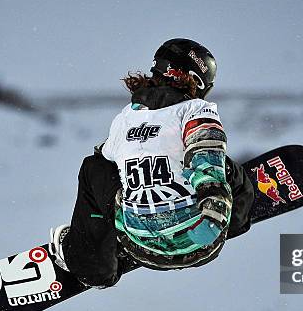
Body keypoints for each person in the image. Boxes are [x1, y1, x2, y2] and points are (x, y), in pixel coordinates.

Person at [49, 38, 255, 288]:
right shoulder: (196, 109)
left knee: (94, 168)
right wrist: (213, 218)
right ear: (198, 81)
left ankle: (93, 264)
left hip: (139, 245)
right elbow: (207, 160)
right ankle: (238, 218)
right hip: (200, 244)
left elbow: (104, 155)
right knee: (225, 164)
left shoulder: (126, 116)